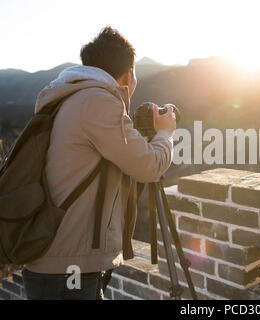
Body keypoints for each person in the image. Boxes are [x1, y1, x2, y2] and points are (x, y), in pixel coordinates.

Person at [22, 27, 176, 300]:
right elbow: (150, 166)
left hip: (60, 260)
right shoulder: (97, 101)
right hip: (67, 265)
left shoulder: (71, 97)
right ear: (129, 73)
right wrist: (164, 133)